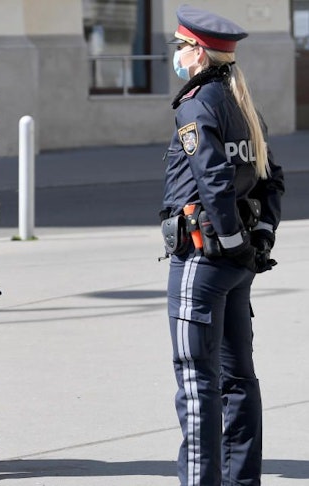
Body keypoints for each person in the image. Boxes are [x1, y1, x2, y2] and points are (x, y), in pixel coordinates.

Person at [161, 6, 285, 485]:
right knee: (238, 379)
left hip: (203, 258)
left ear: (199, 53)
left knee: (197, 381)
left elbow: (212, 181)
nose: (177, 54)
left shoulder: (197, 105)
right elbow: (271, 179)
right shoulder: (242, 103)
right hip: (237, 262)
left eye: (181, 47)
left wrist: (232, 242)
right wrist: (260, 237)